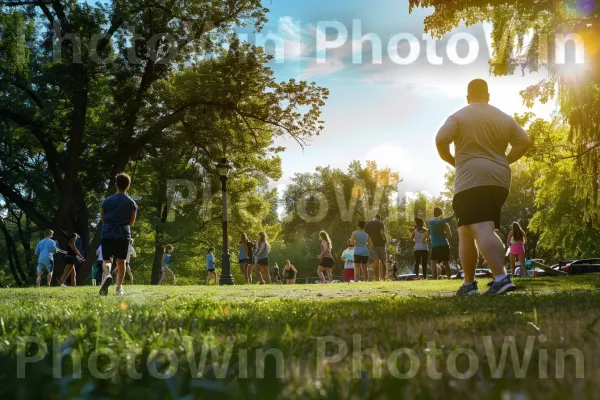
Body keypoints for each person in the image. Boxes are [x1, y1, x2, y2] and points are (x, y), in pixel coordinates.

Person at [436, 79, 531, 295]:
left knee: (481, 227)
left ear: (468, 97)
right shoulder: (504, 117)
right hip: (499, 179)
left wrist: (454, 161)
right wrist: (504, 160)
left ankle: (501, 278)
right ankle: (469, 284)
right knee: (466, 231)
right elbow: (524, 141)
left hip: (471, 179)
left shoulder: (459, 116)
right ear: (488, 96)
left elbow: (441, 139)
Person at [98, 173, 138, 296]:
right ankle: (119, 287)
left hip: (107, 233)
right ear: (128, 186)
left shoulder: (106, 201)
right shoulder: (132, 203)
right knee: (121, 262)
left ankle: (108, 275)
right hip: (123, 234)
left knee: (106, 260)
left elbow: (102, 218)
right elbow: (131, 221)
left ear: (116, 184)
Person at [425, 208, 454, 280]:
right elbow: (449, 235)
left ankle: (434, 278)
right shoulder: (444, 223)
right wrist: (443, 235)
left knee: (433, 262)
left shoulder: (431, 222)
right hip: (444, 244)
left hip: (435, 245)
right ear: (441, 214)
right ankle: (449, 278)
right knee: (446, 263)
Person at [365, 214, 387, 281]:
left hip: (372, 245)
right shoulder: (380, 223)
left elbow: (366, 234)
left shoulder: (369, 223)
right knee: (383, 262)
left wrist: (368, 242)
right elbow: (382, 233)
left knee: (375, 261)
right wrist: (385, 239)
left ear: (374, 218)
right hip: (381, 245)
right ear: (379, 218)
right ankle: (383, 278)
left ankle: (376, 278)